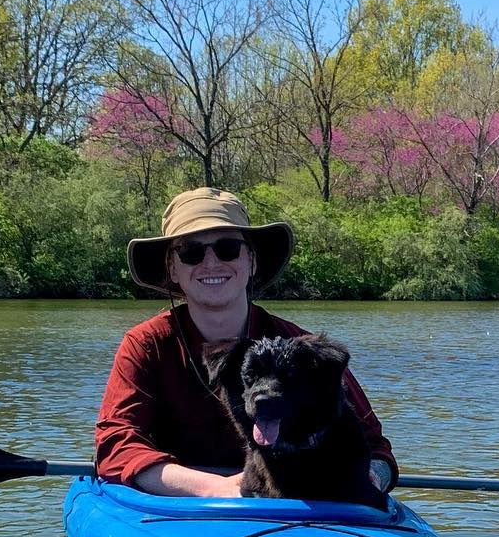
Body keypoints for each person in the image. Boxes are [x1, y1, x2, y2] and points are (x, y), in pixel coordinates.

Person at [95, 187, 398, 498]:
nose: (211, 263)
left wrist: (369, 479)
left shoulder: (300, 349)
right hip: (181, 506)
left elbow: (376, 447)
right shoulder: (145, 344)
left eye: (228, 248)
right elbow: (116, 445)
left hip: (286, 499)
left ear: (251, 260)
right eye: (191, 252)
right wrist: (215, 488)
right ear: (172, 268)